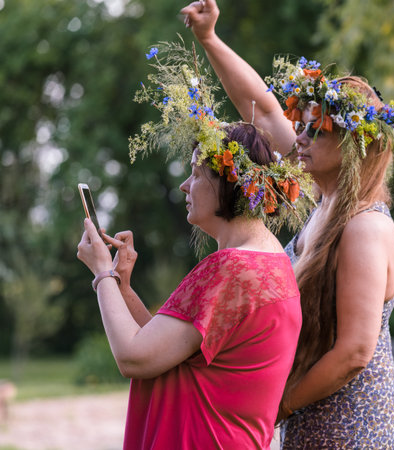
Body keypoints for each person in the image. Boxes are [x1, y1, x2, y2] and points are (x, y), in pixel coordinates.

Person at [181, 0, 394, 447]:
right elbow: (265, 113)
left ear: (355, 147)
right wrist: (209, 39)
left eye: (318, 131)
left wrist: (280, 405)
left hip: (357, 432)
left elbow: (353, 352)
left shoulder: (365, 227)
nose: (303, 138)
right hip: (315, 424)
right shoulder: (326, 202)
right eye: (304, 127)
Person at [77, 37, 314, 448]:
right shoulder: (270, 262)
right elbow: (168, 350)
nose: (185, 185)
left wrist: (101, 273)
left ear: (228, 182)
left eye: (196, 173)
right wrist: (123, 287)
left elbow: (133, 357)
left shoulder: (231, 270)